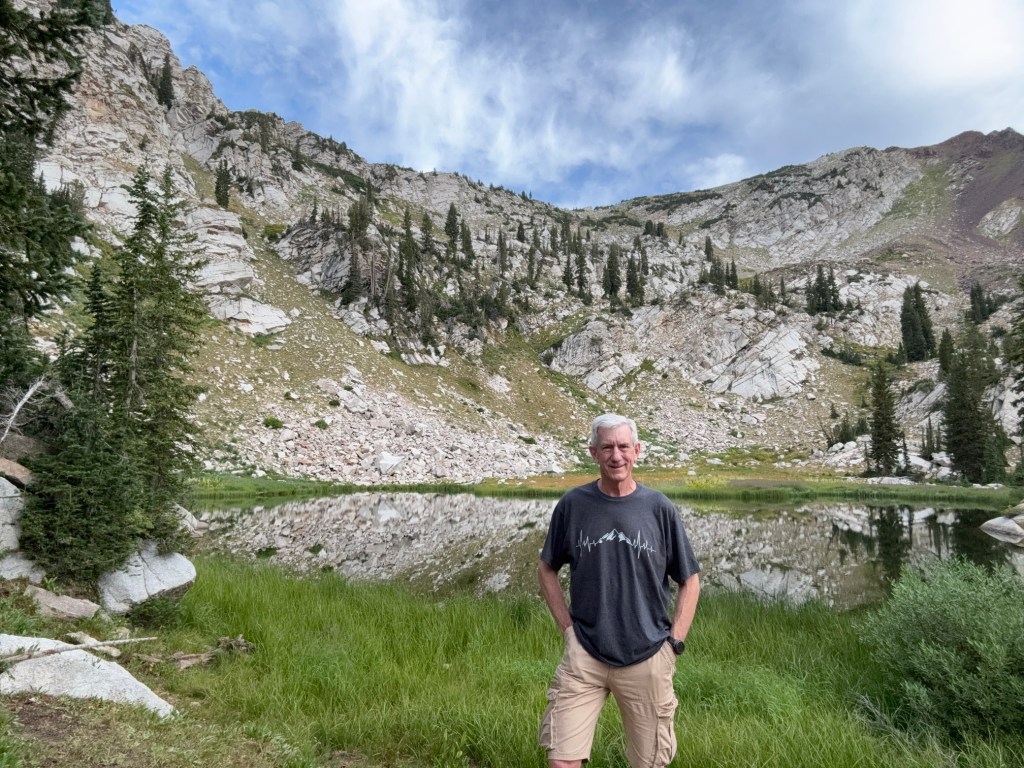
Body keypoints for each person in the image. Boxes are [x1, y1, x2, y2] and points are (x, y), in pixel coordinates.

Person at [538, 413, 701, 768]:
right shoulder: (573, 505)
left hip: (648, 656)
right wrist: (568, 630)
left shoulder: (659, 508)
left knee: (649, 763)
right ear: (593, 452)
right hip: (585, 657)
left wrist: (673, 644)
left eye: (624, 446)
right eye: (607, 447)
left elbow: (690, 579)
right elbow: (547, 567)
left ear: (637, 450)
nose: (616, 456)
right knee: (561, 761)